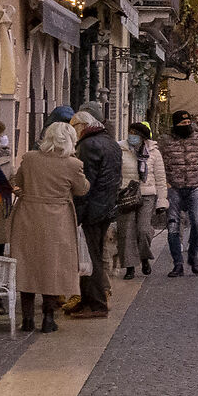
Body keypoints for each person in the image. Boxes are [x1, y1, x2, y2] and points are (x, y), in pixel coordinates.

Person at [11, 121, 89, 333]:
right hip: (57, 220)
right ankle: (48, 318)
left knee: (28, 265)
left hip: (28, 216)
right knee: (52, 267)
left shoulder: (29, 158)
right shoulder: (73, 164)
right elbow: (82, 190)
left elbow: (16, 182)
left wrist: (23, 193)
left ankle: (27, 319)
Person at [69, 110, 122, 318]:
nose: (73, 133)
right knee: (93, 255)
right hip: (106, 207)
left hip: (92, 209)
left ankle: (96, 304)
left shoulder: (88, 145)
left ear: (81, 126)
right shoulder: (111, 142)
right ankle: (86, 300)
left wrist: (78, 213)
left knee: (89, 257)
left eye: (74, 128)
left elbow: (85, 184)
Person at [158, 109, 198, 278]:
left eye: (188, 123)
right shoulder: (164, 141)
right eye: (182, 123)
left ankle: (193, 254)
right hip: (173, 187)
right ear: (175, 125)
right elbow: (159, 162)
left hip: (195, 186)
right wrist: (165, 181)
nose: (186, 125)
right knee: (173, 225)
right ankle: (178, 264)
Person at [117, 121, 167, 278]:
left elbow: (160, 178)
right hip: (126, 195)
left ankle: (144, 257)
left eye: (136, 134)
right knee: (126, 232)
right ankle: (130, 266)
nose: (132, 136)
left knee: (143, 230)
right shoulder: (120, 149)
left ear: (143, 137)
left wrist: (162, 201)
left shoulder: (153, 152)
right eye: (131, 132)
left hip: (147, 194)